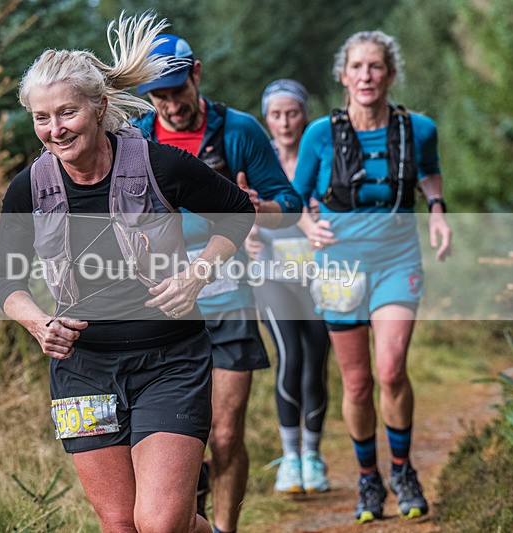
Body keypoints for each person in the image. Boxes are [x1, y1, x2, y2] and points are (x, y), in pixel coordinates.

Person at [0, 13, 255, 532]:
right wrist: (37, 322)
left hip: (169, 360)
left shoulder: (160, 165)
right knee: (120, 524)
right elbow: (5, 279)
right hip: (81, 369)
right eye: (41, 118)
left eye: (66, 113)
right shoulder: (29, 189)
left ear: (100, 107)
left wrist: (197, 274)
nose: (54, 129)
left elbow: (237, 212)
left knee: (158, 523)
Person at [133, 35, 303, 533]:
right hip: (161, 305)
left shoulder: (239, 131)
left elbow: (288, 208)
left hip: (227, 298)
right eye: (158, 96)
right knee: (176, 437)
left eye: (177, 89)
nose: (170, 104)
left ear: (197, 75)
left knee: (225, 435)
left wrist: (255, 208)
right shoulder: (136, 139)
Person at [292, 31, 452, 523]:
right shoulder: (320, 133)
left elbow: (428, 171)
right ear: (343, 76)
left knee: (390, 368)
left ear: (390, 73)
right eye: (357, 67)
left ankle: (403, 470)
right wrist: (307, 226)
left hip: (396, 262)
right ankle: (368, 480)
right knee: (358, 384)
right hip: (339, 266)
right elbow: (294, 194)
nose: (366, 76)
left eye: (376, 66)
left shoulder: (418, 128)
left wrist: (438, 211)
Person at [248, 79, 332, 494]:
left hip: (319, 277)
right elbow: (242, 210)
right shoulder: (260, 162)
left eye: (292, 112)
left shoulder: (322, 158)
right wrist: (247, 233)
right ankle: (291, 457)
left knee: (317, 361)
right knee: (291, 355)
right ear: (267, 119)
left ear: (305, 115)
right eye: (276, 114)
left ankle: (314, 457)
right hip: (272, 275)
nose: (284, 122)